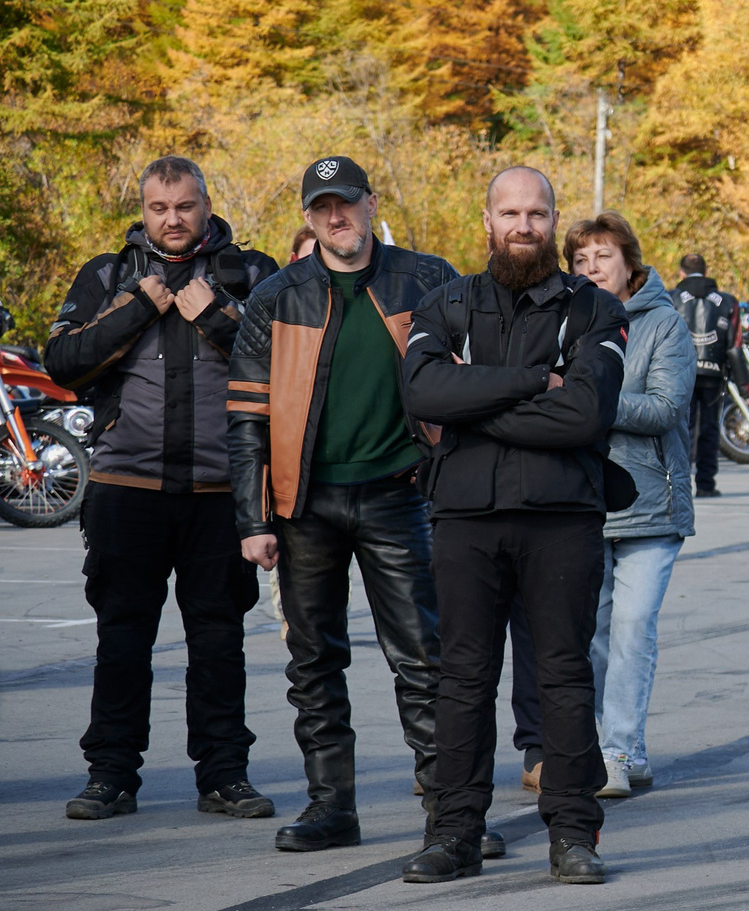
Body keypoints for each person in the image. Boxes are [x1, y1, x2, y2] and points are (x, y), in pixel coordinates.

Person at [399, 166, 629, 886]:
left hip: (563, 516)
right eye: (510, 212)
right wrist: (534, 380)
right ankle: (454, 832)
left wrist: (473, 403)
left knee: (563, 676)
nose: (523, 225)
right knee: (462, 679)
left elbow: (587, 413)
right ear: (487, 218)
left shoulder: (595, 310)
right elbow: (423, 389)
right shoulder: (445, 303)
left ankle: (572, 834)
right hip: (465, 515)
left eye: (536, 213)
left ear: (554, 220)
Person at [227, 156, 458, 852]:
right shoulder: (276, 295)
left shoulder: (428, 278)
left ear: (370, 202)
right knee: (313, 661)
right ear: (307, 217)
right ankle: (332, 807)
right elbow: (246, 417)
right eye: (323, 207)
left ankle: (451, 811)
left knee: (422, 656)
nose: (337, 217)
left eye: (348, 203)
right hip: (305, 505)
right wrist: (252, 518)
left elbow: (467, 380)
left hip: (399, 492)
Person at [45, 156, 279, 822]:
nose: (171, 219)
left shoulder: (253, 274)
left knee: (217, 640)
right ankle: (111, 775)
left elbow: (288, 369)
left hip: (219, 491)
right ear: (143, 210)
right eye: (158, 207)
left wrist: (219, 318)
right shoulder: (108, 275)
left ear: (207, 205)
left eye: (184, 205)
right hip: (127, 487)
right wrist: (135, 309)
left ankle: (224, 775)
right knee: (122, 638)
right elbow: (62, 362)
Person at [568, 212, 693, 801]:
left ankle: (618, 750)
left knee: (633, 629)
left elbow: (665, 407)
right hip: (580, 498)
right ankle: (611, 744)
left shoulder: (664, 324)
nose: (593, 269)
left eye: (604, 257)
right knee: (590, 634)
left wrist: (591, 402)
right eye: (581, 260)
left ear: (629, 262)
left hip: (650, 501)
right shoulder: (563, 321)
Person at [671, 252, 739, 499]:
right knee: (709, 428)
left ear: (682, 273)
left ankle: (680, 483)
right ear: (706, 272)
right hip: (713, 373)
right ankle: (706, 484)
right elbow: (735, 345)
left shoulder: (671, 298)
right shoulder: (727, 301)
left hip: (681, 373)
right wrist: (744, 384)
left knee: (681, 429)